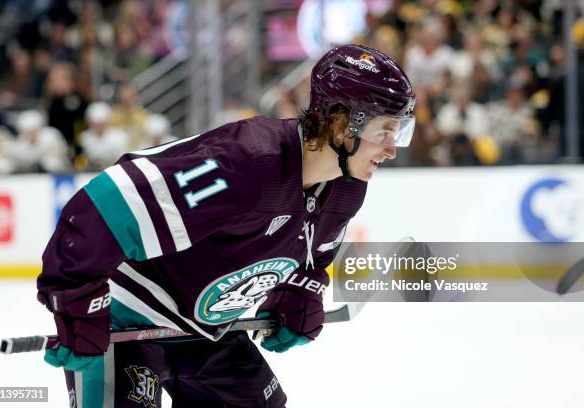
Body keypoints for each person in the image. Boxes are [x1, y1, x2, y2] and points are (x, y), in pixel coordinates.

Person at [36, 44, 416, 407]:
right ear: (339, 124)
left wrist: (300, 296)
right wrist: (75, 302)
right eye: (385, 132)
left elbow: (312, 257)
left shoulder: (347, 188)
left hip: (208, 330)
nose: (391, 148)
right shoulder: (247, 161)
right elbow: (101, 206)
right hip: (127, 318)